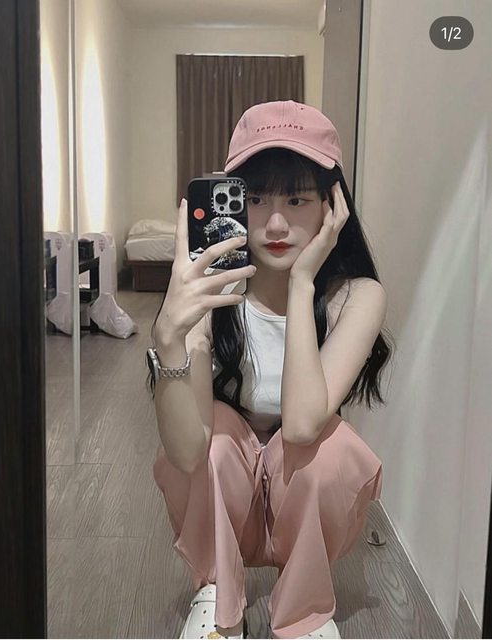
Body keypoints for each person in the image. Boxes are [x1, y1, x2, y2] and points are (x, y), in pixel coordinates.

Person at [147, 101, 394, 639]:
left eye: (297, 198)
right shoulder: (212, 292)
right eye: (256, 198)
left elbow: (302, 426)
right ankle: (217, 597)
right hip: (225, 486)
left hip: (297, 489)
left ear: (332, 205)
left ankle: (304, 613)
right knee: (211, 433)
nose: (276, 223)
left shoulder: (356, 296)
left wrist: (302, 284)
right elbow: (186, 453)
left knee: (330, 448)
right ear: (232, 200)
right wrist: (169, 335)